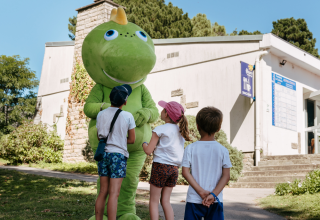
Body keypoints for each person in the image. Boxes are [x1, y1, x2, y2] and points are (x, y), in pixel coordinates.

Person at [142, 101, 191, 220]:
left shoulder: (160, 129)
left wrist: (144, 143)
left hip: (160, 167)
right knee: (165, 201)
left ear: (167, 114)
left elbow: (148, 150)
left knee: (153, 201)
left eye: (163, 109)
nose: (161, 111)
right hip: (174, 169)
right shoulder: (181, 132)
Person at [182, 106, 232, 220]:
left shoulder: (190, 148)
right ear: (219, 128)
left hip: (194, 199)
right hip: (215, 200)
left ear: (198, 126)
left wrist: (201, 192)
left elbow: (185, 172)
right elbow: (226, 175)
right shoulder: (223, 150)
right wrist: (213, 195)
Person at [95, 84, 136, 220]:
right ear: (125, 101)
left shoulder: (100, 114)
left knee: (103, 192)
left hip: (103, 155)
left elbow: (99, 137)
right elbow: (131, 140)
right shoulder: (128, 116)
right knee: (114, 193)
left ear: (109, 98)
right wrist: (119, 139)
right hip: (118, 156)